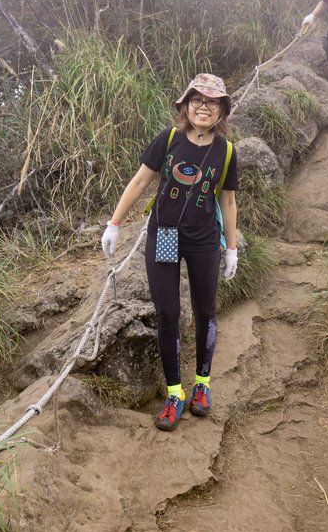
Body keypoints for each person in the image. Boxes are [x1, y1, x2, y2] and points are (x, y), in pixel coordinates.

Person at [100, 73, 240, 432]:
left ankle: (203, 386)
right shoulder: (169, 140)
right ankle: (175, 393)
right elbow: (140, 181)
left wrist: (231, 249)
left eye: (212, 101)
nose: (203, 106)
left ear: (222, 109)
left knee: (205, 311)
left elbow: (228, 200)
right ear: (185, 105)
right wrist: (114, 223)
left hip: (204, 240)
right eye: (197, 99)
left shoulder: (226, 151)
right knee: (167, 312)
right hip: (164, 234)